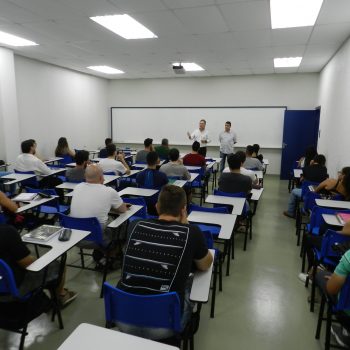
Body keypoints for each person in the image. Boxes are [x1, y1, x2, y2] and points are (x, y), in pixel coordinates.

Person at [117, 185, 213, 339]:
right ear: (183, 210)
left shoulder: (135, 225)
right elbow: (205, 264)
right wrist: (186, 224)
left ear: (157, 207)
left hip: (123, 318)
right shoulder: (192, 232)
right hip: (166, 326)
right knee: (189, 281)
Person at [0, 224, 77, 306]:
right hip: (12, 290)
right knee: (58, 265)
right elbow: (27, 263)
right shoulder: (6, 231)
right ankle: (60, 296)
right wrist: (37, 259)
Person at [70, 164, 128, 231]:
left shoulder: (77, 187)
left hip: (75, 230)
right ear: (101, 177)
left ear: (85, 176)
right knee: (120, 219)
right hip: (96, 233)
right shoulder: (109, 191)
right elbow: (123, 210)